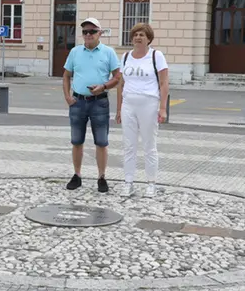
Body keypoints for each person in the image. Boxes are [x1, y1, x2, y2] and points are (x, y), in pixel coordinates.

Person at [62, 17, 121, 193]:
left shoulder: (108, 52)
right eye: (85, 32)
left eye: (92, 31)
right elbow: (66, 75)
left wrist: (103, 86)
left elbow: (118, 77)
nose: (88, 35)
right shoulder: (75, 52)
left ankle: (101, 177)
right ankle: (77, 175)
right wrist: (67, 96)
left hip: (99, 102)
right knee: (76, 141)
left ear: (100, 33)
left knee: (102, 142)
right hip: (78, 101)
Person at [115, 23, 169, 197]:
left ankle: (151, 183)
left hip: (149, 103)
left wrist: (162, 108)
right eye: (135, 34)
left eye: (142, 35)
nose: (138, 37)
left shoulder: (156, 56)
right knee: (129, 145)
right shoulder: (125, 57)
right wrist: (118, 108)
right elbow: (121, 84)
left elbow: (163, 83)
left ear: (148, 39)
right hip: (128, 104)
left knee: (149, 145)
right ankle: (128, 182)